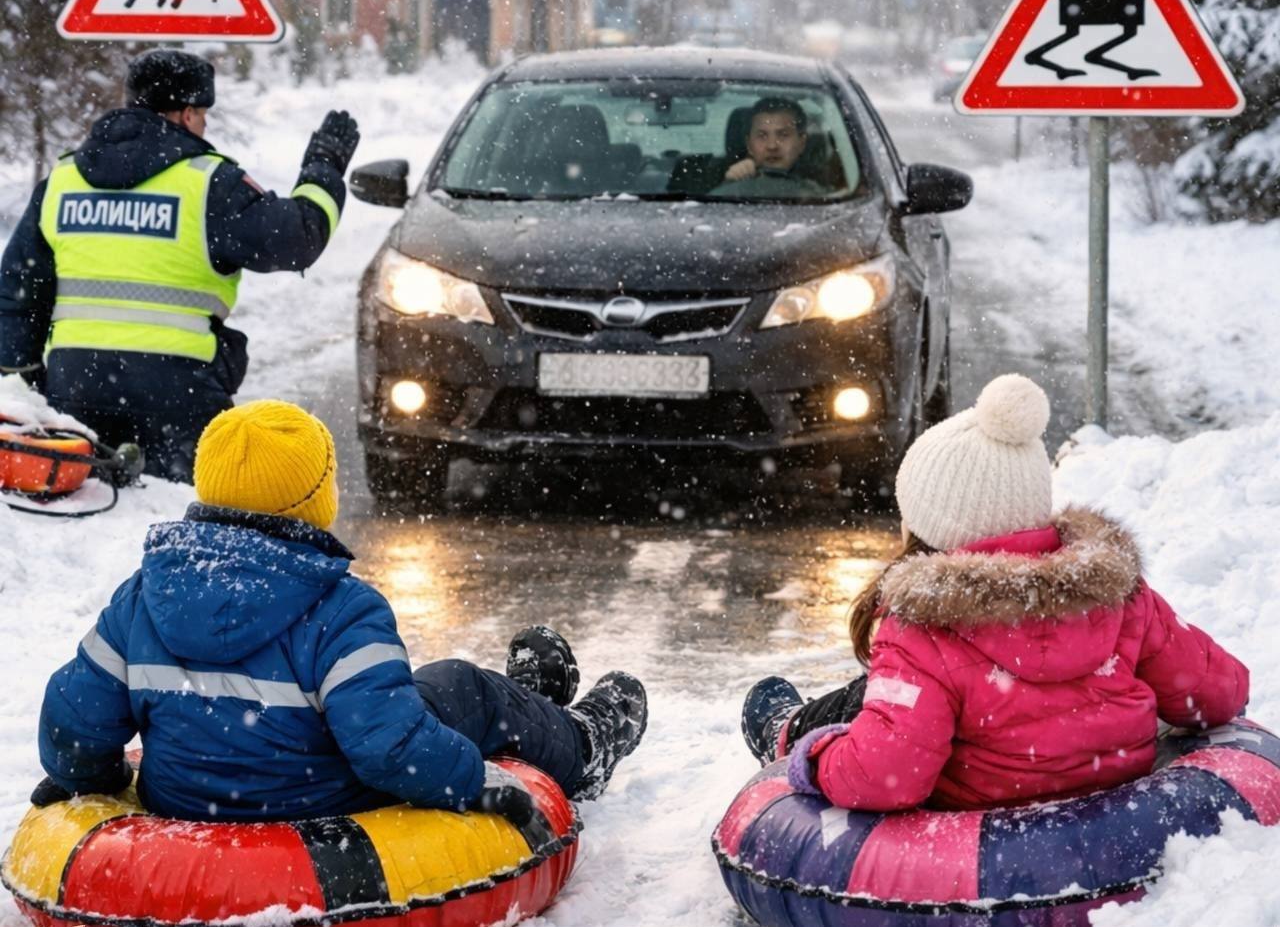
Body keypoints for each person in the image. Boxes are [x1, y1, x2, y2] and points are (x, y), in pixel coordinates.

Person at [32, 400, 648, 829]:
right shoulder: (342, 607)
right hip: (324, 801)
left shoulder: (142, 596)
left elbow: (74, 720)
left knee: (402, 695)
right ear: (316, 500)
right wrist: (472, 781)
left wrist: (88, 776)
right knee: (459, 687)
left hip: (187, 800)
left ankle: (528, 699)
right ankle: (583, 744)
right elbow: (388, 747)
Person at [741, 373, 1249, 812]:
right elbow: (1220, 691)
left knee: (874, 701)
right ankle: (800, 722)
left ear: (930, 531)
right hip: (1109, 788)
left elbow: (885, 775)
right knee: (884, 693)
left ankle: (791, 732)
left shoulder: (924, 629)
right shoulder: (1119, 597)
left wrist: (817, 758)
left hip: (985, 820)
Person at [0, 50, 360, 481]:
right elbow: (297, 238)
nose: (204, 125)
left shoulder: (62, 181)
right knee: (178, 518)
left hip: (76, 390)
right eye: (203, 114)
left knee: (89, 521)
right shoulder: (210, 184)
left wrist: (30, 380)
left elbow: (17, 291)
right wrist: (324, 166)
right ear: (188, 114)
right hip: (179, 396)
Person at [713, 96, 824, 197]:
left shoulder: (827, 182)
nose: (772, 146)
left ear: (802, 143)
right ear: (749, 145)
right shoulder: (732, 182)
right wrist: (731, 183)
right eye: (762, 136)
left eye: (783, 135)